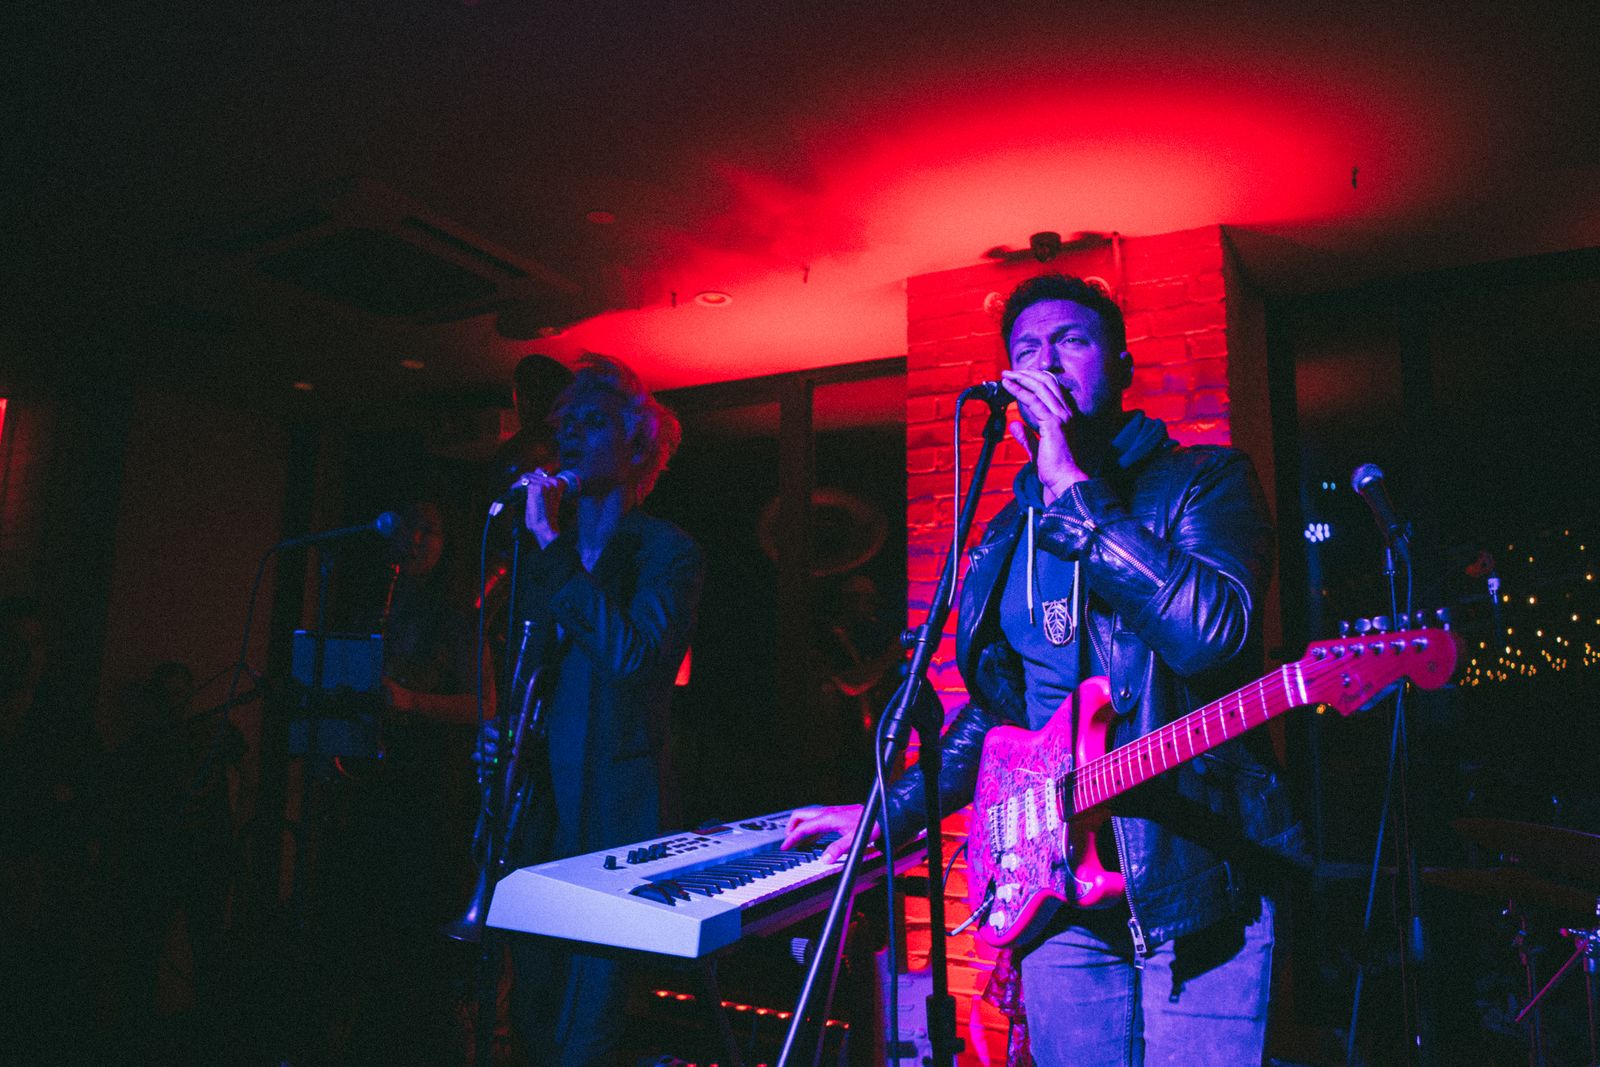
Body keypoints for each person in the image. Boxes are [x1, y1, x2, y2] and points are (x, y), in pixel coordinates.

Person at [784, 274, 1303, 1065]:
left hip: (1199, 884)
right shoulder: (1004, 533)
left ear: (1121, 367)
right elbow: (997, 714)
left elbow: (1215, 637)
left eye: (1071, 341)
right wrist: (884, 813)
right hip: (1057, 895)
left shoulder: (1204, 479)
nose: (1047, 361)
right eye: (1026, 348)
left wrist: (1074, 494)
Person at [499, 353, 704, 1067]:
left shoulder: (667, 552)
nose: (569, 436)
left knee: (586, 1038)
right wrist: (504, 733)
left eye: (591, 422)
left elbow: (634, 658)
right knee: (529, 1024)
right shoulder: (538, 562)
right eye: (566, 424)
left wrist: (552, 546)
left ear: (637, 446)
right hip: (540, 821)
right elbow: (530, 677)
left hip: (618, 827)